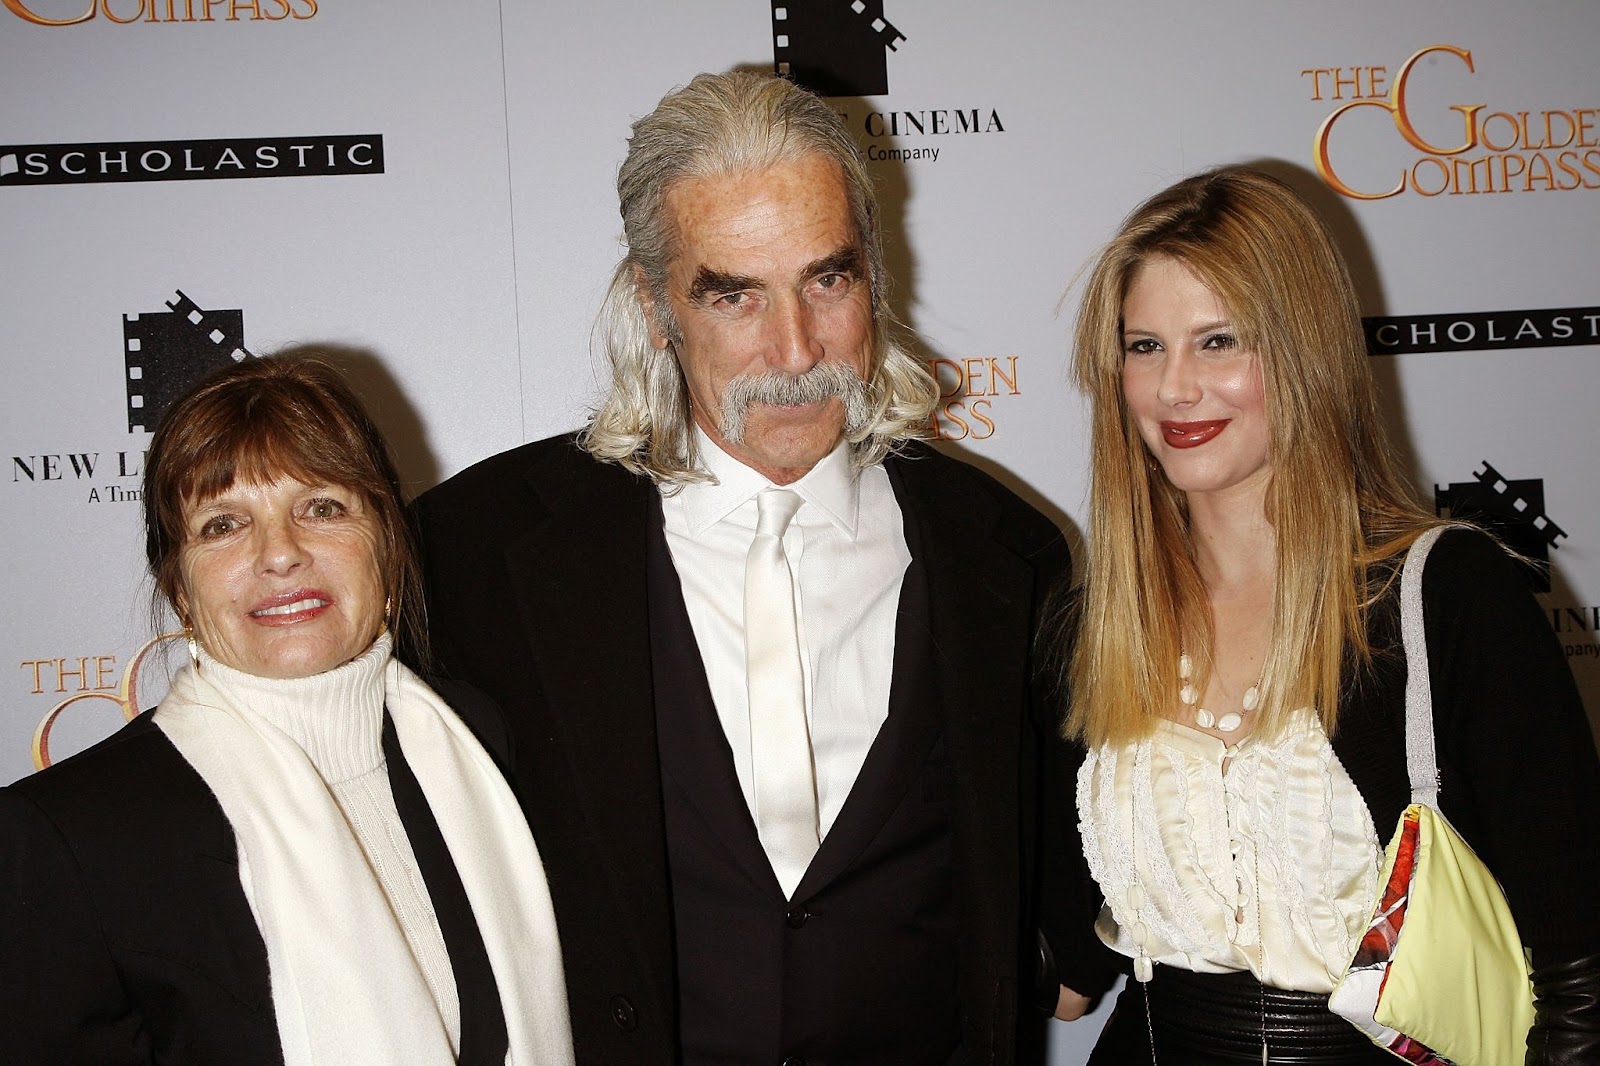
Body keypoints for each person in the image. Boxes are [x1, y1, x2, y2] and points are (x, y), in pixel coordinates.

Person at [411, 71, 1070, 1065]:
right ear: (653, 301)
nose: (794, 347)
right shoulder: (476, 551)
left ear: (875, 272)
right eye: (734, 294)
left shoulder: (1005, 552)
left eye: (828, 278)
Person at [1044, 166, 1600, 1063]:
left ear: (1304, 353)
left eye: (1219, 341)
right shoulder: (1097, 625)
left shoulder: (1445, 595)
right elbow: (1064, 970)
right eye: (1143, 347)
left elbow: (1580, 970)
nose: (1175, 389)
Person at [0, 355, 575, 1065]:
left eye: (321, 507)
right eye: (223, 525)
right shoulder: (71, 837)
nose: (280, 554)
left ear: (387, 547)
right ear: (179, 587)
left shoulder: (485, 741)